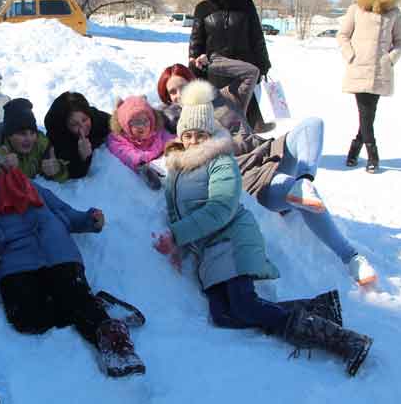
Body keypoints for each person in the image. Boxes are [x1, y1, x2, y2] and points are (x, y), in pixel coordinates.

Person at [152, 80, 373, 377]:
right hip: (207, 250)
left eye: (200, 134)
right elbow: (177, 210)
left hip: (231, 239)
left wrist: (177, 236)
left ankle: (344, 341)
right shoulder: (178, 168)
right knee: (223, 315)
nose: (193, 140)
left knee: (245, 307)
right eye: (188, 134)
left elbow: (220, 209)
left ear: (210, 133)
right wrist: (180, 244)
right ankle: (318, 308)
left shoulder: (221, 160)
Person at [157, 64, 377, 286]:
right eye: (171, 93)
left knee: (313, 125)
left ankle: (304, 180)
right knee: (295, 192)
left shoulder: (223, 98)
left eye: (181, 87)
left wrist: (211, 60)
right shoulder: (177, 123)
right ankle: (351, 257)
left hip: (270, 151)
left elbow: (251, 73)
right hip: (250, 174)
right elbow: (144, 134)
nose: (177, 95)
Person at [0, 148, 145, 378]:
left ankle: (116, 345)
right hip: (14, 262)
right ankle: (92, 303)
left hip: (58, 250)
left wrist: (89, 220)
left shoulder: (28, 184)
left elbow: (63, 211)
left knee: (74, 297)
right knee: (28, 319)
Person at [338, 0, 401, 173]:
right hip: (359, 67)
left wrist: (390, 58)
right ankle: (372, 155)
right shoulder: (356, 9)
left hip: (380, 69)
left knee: (369, 114)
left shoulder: (393, 12)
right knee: (365, 112)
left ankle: (353, 150)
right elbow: (342, 35)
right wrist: (351, 55)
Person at [189, 0, 272, 131]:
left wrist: (263, 63)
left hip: (244, 69)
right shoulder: (203, 8)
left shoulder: (246, 5)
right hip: (216, 70)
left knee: (246, 115)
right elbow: (196, 38)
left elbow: (256, 36)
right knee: (221, 115)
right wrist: (194, 59)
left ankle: (248, 146)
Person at [0, 98, 68, 182]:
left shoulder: (41, 143)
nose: (29, 139)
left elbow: (64, 176)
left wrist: (58, 170)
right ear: (9, 135)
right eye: (22, 133)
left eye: (32, 133)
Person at [106, 95, 174, 190]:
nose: (142, 125)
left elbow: (168, 138)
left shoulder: (157, 130)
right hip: (142, 163)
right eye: (136, 122)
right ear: (125, 125)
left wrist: (175, 146)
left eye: (145, 120)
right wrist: (139, 162)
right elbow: (125, 152)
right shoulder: (120, 139)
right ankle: (148, 174)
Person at [43, 91, 111, 179]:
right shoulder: (60, 138)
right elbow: (74, 172)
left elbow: (116, 121)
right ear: (65, 126)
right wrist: (84, 157)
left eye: (84, 120)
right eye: (74, 124)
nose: (82, 127)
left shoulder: (95, 117)